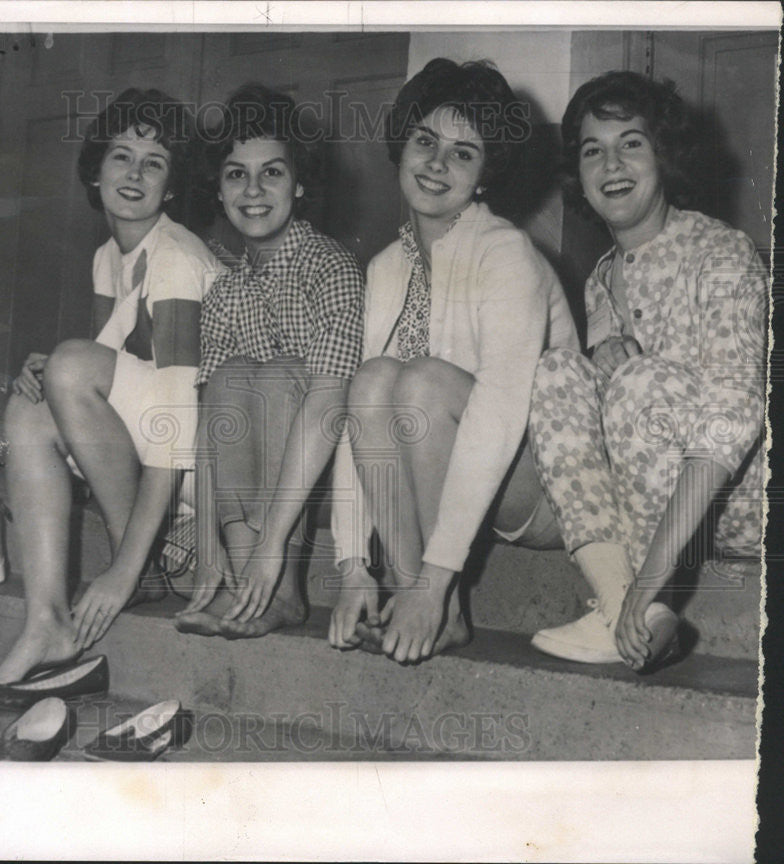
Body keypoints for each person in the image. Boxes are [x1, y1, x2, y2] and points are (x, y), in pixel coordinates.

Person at [327, 58, 579, 664]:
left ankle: (435, 595)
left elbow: (496, 413)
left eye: (464, 154)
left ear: (487, 174)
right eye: (425, 141)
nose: (437, 164)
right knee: (371, 380)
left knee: (420, 383)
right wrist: (353, 565)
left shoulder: (506, 252)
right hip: (446, 480)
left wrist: (440, 576)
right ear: (402, 146)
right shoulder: (387, 266)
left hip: (544, 485)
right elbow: (363, 421)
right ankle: (416, 595)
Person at [527, 71, 767, 671]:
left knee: (639, 382)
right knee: (556, 369)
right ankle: (625, 616)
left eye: (630, 142)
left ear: (663, 154)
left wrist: (651, 578)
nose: (611, 163)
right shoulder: (598, 282)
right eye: (592, 149)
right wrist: (598, 362)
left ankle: (637, 602)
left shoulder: (721, 251)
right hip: (648, 506)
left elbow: (730, 421)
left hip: (740, 497)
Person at [0, 89, 220, 684]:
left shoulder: (173, 256)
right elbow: (104, 373)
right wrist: (50, 374)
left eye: (155, 161)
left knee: (68, 366)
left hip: (212, 461)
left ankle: (140, 564)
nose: (135, 173)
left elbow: (177, 418)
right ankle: (47, 620)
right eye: (122, 155)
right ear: (96, 171)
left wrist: (121, 568)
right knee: (29, 402)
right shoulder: (106, 257)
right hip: (159, 458)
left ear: (172, 187)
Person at [175, 83, 365, 640]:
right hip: (257, 493)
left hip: (340, 466)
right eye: (236, 174)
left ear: (300, 183)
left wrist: (273, 543)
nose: (253, 189)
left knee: (284, 372)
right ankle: (243, 581)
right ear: (218, 188)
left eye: (272, 173)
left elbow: (330, 402)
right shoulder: (226, 290)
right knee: (229, 376)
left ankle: (279, 588)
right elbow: (212, 429)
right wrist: (211, 546)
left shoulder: (330, 267)